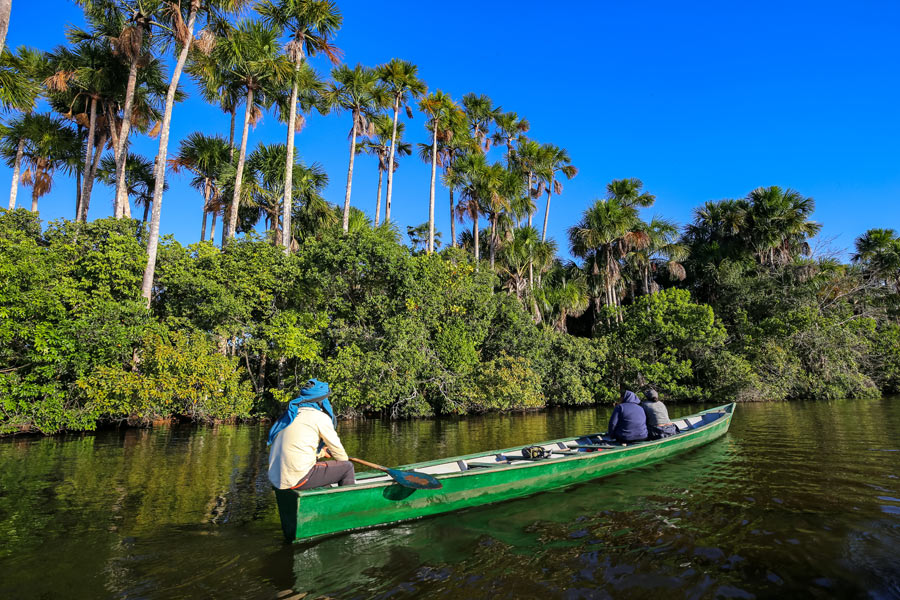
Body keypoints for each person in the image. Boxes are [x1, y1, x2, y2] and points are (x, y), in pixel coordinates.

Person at [267, 379, 356, 490]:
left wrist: (321, 454)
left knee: (325, 479)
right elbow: (339, 453)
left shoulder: (289, 416)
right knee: (347, 467)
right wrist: (344, 460)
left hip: (277, 480)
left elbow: (298, 449)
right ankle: (347, 505)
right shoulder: (320, 417)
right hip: (297, 479)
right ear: (320, 401)